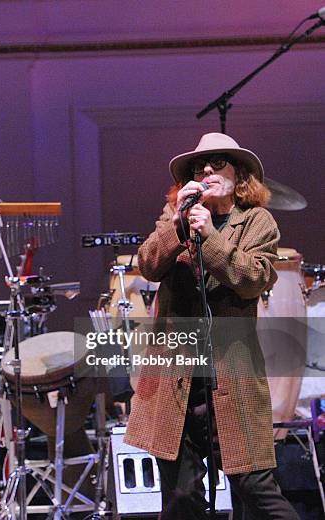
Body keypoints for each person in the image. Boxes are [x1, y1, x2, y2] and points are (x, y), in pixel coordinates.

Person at [124, 133, 299, 519]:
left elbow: (253, 278)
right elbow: (149, 265)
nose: (206, 169)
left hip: (232, 375)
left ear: (240, 177)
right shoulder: (177, 219)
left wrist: (211, 236)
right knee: (181, 497)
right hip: (177, 380)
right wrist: (177, 225)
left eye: (218, 163)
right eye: (198, 166)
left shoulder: (257, 222)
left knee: (257, 491)